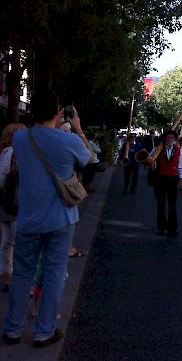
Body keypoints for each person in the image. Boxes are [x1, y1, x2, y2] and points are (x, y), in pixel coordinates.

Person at [3, 90, 92, 347]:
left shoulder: (20, 139)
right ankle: (44, 331)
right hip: (60, 219)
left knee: (22, 274)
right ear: (58, 112)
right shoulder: (69, 141)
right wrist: (77, 127)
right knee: (53, 274)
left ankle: (13, 329)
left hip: (28, 219)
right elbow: (89, 159)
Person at [0, 123, 26, 292]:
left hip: (4, 204)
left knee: (6, 243)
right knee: (19, 244)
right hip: (16, 205)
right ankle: (18, 280)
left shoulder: (4, 153)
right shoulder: (15, 154)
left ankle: (7, 278)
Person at [150, 130, 182, 238]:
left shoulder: (179, 151)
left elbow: (180, 166)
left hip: (172, 180)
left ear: (174, 140)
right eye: (168, 138)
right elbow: (148, 160)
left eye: (172, 138)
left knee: (172, 206)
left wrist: (181, 179)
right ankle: (161, 228)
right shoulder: (157, 149)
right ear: (164, 139)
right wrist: (149, 161)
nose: (170, 140)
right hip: (159, 179)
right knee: (161, 205)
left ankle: (172, 229)